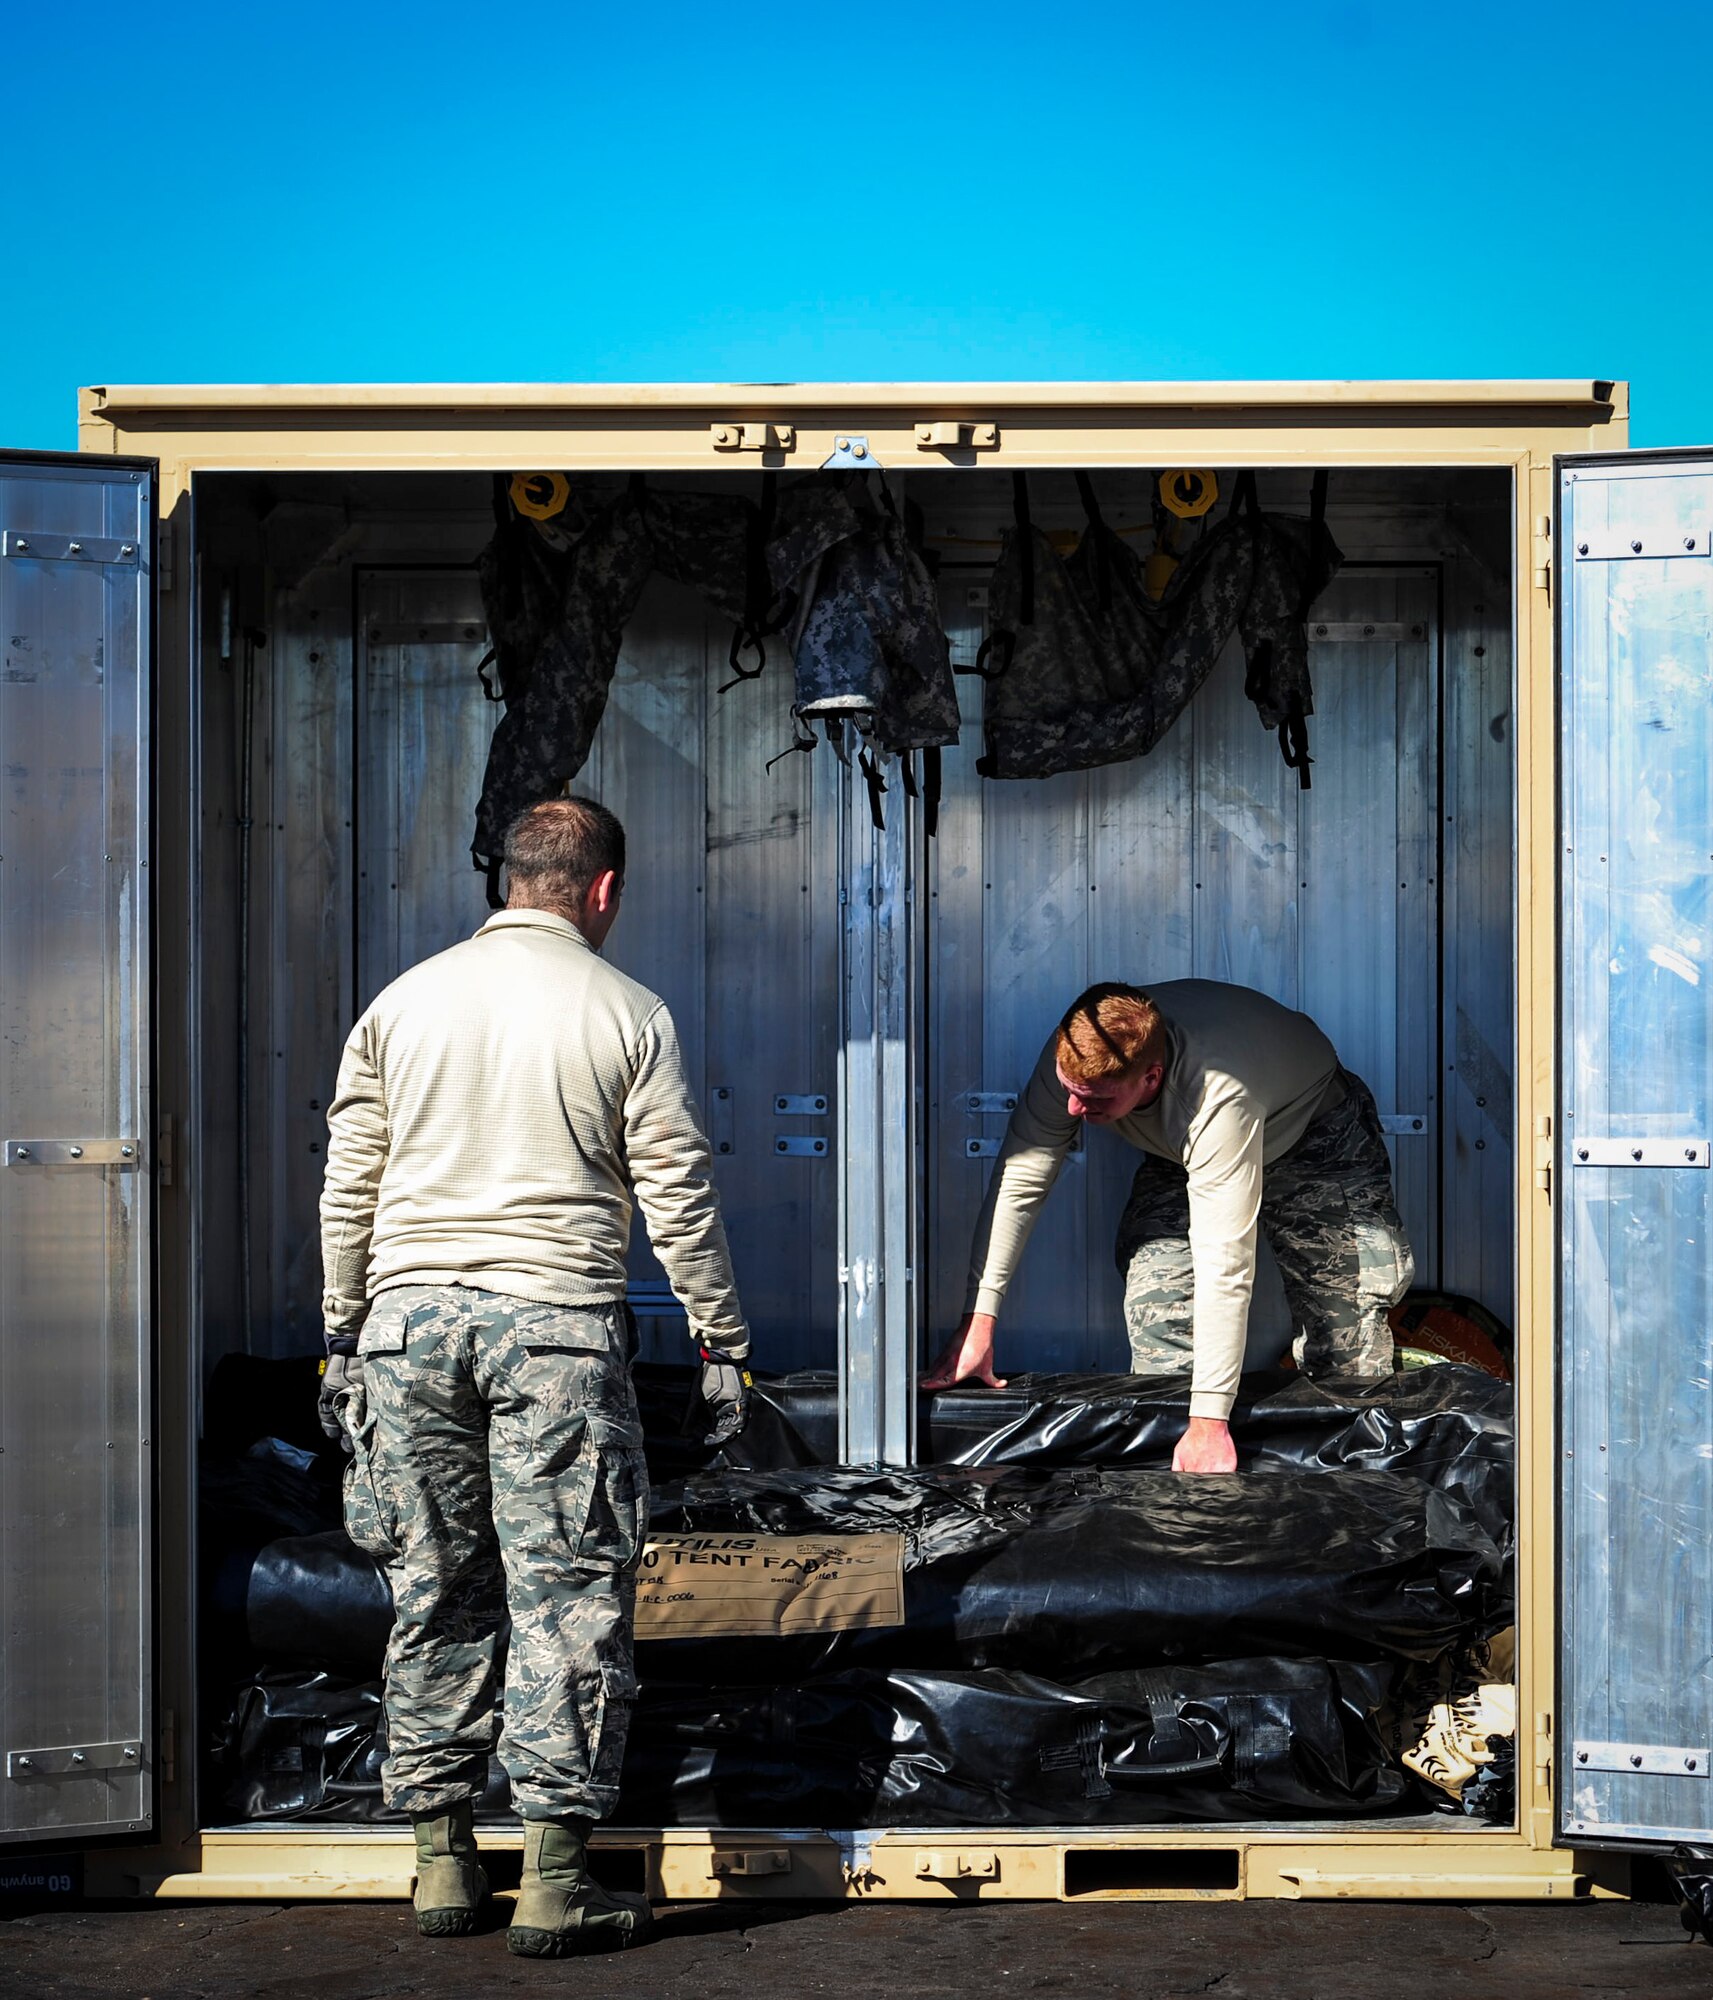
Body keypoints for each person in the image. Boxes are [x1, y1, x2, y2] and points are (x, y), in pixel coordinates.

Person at [315, 796, 751, 1956]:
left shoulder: (399, 1003)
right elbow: (678, 1192)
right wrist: (721, 1336)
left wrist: (343, 1329)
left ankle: (442, 1866)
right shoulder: (627, 1010)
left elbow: (348, 1185)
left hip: (405, 1327)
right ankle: (557, 1879)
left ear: (504, 880)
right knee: (564, 1597)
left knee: (435, 1587)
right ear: (602, 889)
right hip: (553, 1326)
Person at [922, 980, 1413, 1473]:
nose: (1073, 1111)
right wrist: (978, 1320)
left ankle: (1344, 1504)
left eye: (1094, 1101)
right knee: (1160, 1309)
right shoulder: (1076, 1055)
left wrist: (1210, 1422)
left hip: (1312, 1131)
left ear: (1150, 1078)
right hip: (1183, 1151)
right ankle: (1176, 1499)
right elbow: (1022, 1178)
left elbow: (1225, 1260)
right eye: (1070, 1093)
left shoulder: (1214, 1097)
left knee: (1346, 1340)